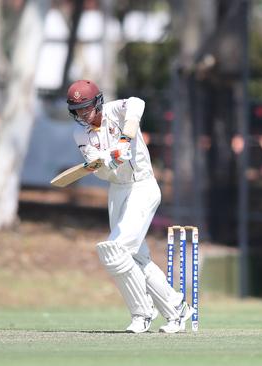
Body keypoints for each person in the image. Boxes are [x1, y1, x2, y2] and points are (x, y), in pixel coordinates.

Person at [66, 79, 195, 333]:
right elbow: (96, 169)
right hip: (117, 191)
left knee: (114, 250)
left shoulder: (115, 110)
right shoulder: (80, 134)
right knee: (138, 258)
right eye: (77, 110)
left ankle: (142, 313)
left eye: (86, 107)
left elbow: (138, 103)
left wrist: (125, 140)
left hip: (143, 187)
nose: (83, 114)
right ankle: (177, 309)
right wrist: (109, 162)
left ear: (98, 103)